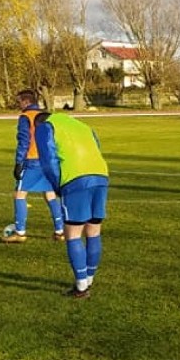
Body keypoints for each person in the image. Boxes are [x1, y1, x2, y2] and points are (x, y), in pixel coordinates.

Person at [33, 110, 109, 299]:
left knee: (73, 233)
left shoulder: (46, 127)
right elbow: (97, 147)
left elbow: (48, 160)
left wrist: (58, 185)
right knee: (94, 230)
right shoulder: (81, 125)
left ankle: (81, 287)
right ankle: (89, 278)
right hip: (101, 175)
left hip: (75, 179)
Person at [3, 90, 66, 244]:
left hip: (32, 161)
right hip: (49, 160)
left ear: (25, 101)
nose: (18, 105)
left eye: (19, 102)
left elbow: (24, 141)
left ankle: (20, 232)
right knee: (50, 194)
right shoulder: (48, 116)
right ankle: (60, 231)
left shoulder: (25, 117)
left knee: (19, 194)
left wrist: (19, 162)